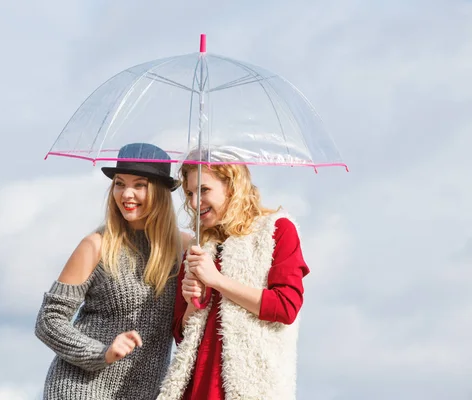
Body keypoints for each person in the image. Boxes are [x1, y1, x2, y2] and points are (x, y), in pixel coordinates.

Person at [35, 143, 192, 400]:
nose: (126, 194)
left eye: (139, 185)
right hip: (80, 390)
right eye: (120, 184)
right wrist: (101, 352)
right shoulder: (97, 245)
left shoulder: (185, 249)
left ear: (161, 192)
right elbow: (48, 320)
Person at [157, 152, 310, 400]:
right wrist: (191, 305)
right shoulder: (198, 248)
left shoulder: (276, 230)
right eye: (189, 194)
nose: (195, 203)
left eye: (204, 190)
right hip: (197, 388)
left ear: (232, 185)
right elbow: (181, 334)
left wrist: (217, 280)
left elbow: (286, 307)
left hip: (250, 387)